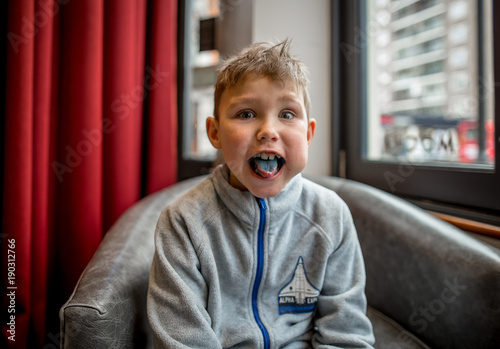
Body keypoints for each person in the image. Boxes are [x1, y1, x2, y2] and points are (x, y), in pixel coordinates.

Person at [147, 39, 375, 348]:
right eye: (245, 114)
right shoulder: (183, 223)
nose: (268, 130)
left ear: (308, 134)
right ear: (215, 133)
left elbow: (346, 332)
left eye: (286, 114)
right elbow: (183, 340)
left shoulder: (330, 215)